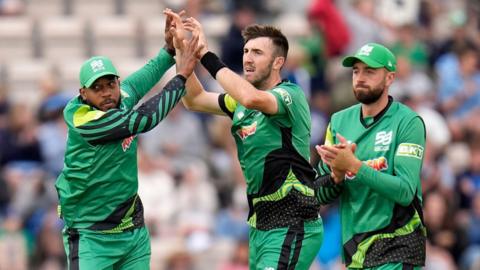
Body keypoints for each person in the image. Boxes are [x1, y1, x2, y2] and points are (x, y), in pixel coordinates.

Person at [164, 10, 323, 270]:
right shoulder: (241, 102)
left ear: (278, 62)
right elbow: (193, 99)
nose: (248, 58)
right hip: (260, 225)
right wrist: (183, 49)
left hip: (293, 219)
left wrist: (205, 55)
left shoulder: (289, 95)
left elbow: (251, 98)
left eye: (257, 53)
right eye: (246, 51)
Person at [54, 14, 203, 269]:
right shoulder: (84, 119)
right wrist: (181, 77)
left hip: (131, 231)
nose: (106, 93)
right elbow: (144, 120)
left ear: (117, 82)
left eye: (110, 84)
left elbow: (143, 78)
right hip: (90, 234)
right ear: (83, 93)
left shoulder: (119, 97)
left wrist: (168, 49)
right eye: (97, 88)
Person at [316, 43, 427, 269]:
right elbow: (319, 194)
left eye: (370, 71)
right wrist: (336, 175)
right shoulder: (338, 122)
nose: (360, 77)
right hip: (355, 250)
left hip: (399, 244)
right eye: (356, 71)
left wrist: (355, 166)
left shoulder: (407, 122)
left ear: (390, 78)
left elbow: (405, 191)